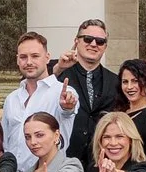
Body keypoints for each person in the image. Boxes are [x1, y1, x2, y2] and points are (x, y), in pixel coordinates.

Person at [52, 19, 122, 163]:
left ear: (105, 46)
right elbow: (32, 87)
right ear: (76, 41)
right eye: (88, 39)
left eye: (100, 41)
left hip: (100, 162)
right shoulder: (57, 72)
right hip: (62, 159)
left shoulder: (115, 81)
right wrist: (58, 69)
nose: (94, 44)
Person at [1, 31, 79, 151]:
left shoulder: (62, 93)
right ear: (17, 60)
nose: (29, 62)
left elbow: (67, 112)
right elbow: (5, 143)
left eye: (35, 56)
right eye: (23, 57)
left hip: (51, 163)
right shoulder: (11, 99)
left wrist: (68, 107)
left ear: (47, 58)